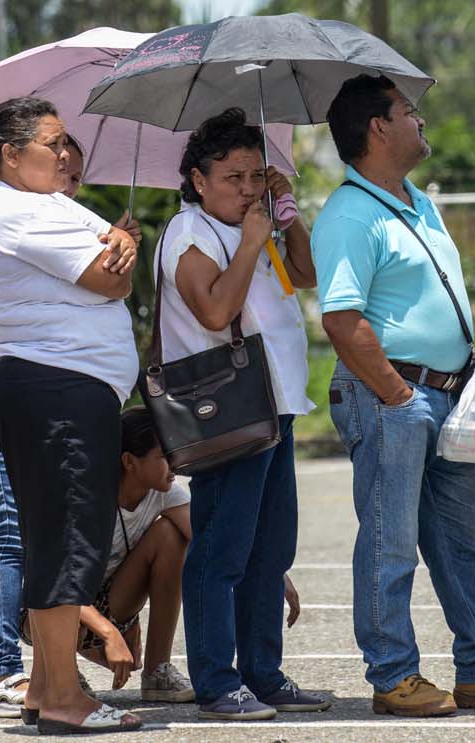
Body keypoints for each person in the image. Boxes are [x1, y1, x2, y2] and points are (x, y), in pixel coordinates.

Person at [315, 73, 475, 719]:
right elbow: (341, 318)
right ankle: (393, 674)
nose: (421, 121)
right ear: (378, 128)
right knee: (390, 540)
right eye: (408, 111)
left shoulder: (414, 199)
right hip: (395, 395)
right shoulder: (349, 212)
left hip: (444, 396)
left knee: (465, 536)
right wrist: (394, 395)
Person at [0, 96, 143, 734]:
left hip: (66, 388)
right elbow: (110, 278)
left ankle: (43, 688)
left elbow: (110, 252)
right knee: (66, 541)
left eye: (67, 144)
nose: (66, 154)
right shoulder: (13, 208)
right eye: (53, 143)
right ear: (11, 155)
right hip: (56, 388)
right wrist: (117, 248)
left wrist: (118, 240)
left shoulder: (41, 202)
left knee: (59, 538)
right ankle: (64, 695)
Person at [157, 108, 326, 721]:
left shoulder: (254, 222)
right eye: (233, 177)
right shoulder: (190, 234)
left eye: (258, 175)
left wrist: (286, 214)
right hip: (226, 411)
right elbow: (212, 311)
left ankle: (263, 672)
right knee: (221, 548)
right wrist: (254, 241)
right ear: (198, 179)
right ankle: (216, 679)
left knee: (270, 547)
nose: (247, 188)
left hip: (272, 406)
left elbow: (305, 274)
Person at [20, 407, 194, 703]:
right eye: (165, 455)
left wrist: (271, 574)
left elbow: (210, 542)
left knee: (170, 535)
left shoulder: (164, 492)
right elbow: (57, 579)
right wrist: (109, 633)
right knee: (62, 601)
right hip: (52, 604)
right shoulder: (87, 495)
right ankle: (62, 675)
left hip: (109, 601)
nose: (175, 463)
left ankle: (158, 672)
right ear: (129, 461)